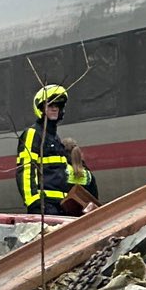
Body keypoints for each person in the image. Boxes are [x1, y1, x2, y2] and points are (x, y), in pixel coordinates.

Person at [15, 85, 97, 213]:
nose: (55, 108)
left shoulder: (55, 138)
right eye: (50, 105)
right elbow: (26, 170)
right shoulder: (33, 134)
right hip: (45, 206)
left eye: (58, 105)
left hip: (60, 207)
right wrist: (34, 203)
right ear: (41, 108)